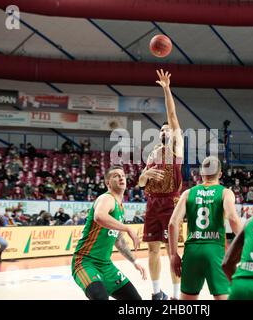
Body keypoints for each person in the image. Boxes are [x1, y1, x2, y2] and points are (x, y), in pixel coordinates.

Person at [137, 69, 184, 300]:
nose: (165, 130)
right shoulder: (154, 153)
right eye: (162, 129)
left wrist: (166, 90)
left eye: (167, 128)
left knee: (171, 250)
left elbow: (172, 116)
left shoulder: (176, 147)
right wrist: (145, 174)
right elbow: (140, 183)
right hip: (152, 203)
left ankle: (176, 296)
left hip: (171, 202)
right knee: (152, 249)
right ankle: (157, 293)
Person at [168, 156, 242, 300]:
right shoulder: (225, 193)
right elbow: (233, 219)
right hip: (215, 251)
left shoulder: (188, 193)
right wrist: (249, 239)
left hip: (192, 252)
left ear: (202, 173)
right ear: (220, 174)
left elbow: (173, 223)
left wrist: (173, 254)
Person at [71, 166, 147, 300]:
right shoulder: (106, 198)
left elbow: (119, 241)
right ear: (108, 183)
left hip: (106, 266)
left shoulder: (120, 208)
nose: (121, 177)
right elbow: (99, 216)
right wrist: (127, 228)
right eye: (116, 175)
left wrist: (134, 261)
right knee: (101, 297)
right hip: (85, 262)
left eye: (122, 175)